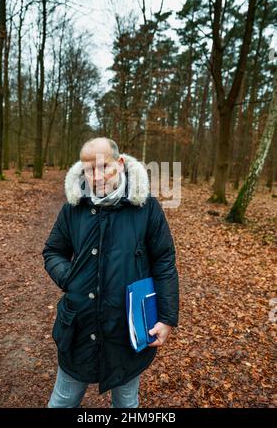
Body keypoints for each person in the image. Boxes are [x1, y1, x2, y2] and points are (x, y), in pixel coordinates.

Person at [42, 137, 179, 408]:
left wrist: (166, 318)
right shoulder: (73, 208)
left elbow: (164, 262)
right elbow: (53, 252)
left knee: (127, 402)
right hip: (78, 324)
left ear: (119, 163)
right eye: (89, 169)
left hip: (127, 328)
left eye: (104, 167)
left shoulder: (146, 207)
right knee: (62, 400)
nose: (97, 176)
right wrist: (69, 278)